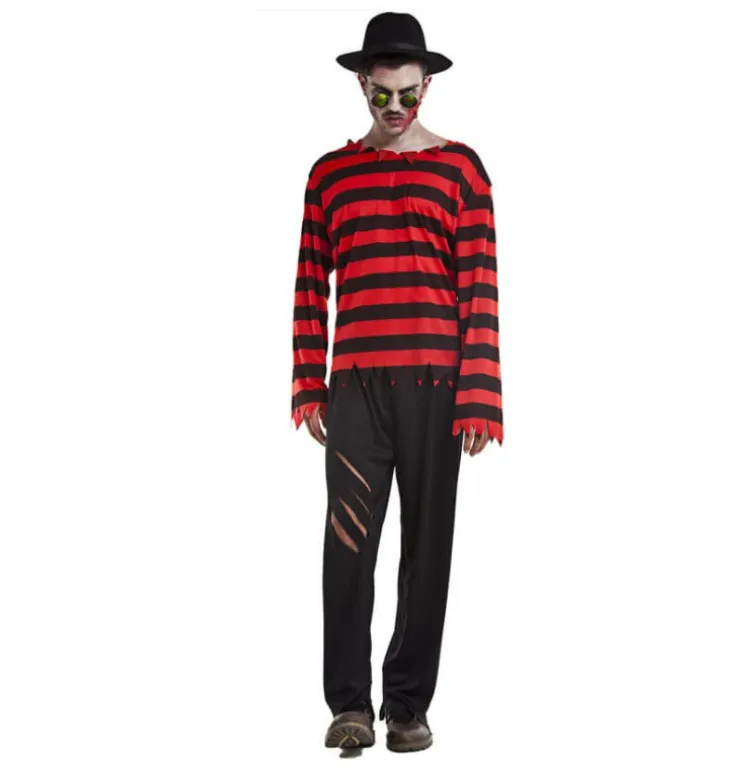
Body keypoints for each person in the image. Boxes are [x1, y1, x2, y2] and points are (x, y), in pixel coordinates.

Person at [290, 11, 504, 753]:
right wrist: (307, 384)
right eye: (381, 93)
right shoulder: (329, 174)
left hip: (437, 389)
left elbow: (479, 285)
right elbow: (309, 283)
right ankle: (348, 703)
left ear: (427, 87)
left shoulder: (461, 170)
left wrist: (481, 394)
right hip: (354, 388)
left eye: (407, 94)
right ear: (362, 85)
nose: (394, 107)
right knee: (347, 546)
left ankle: (408, 705)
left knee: (427, 545)